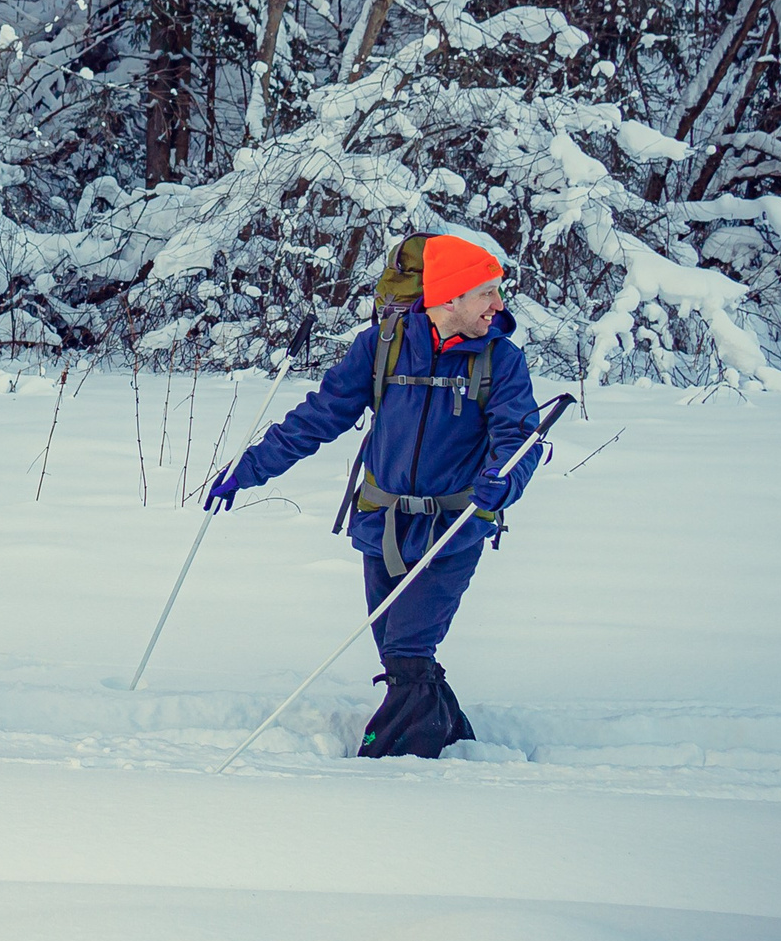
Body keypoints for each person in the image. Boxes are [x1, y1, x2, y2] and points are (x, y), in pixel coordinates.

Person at [205, 234, 538, 757]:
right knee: (397, 655)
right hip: (381, 524)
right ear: (449, 297)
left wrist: (504, 480)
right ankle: (453, 741)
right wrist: (250, 468)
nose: (498, 305)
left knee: (408, 651)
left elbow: (519, 439)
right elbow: (320, 417)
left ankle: (395, 770)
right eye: (486, 293)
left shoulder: (502, 360)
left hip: (452, 530)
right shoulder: (381, 346)